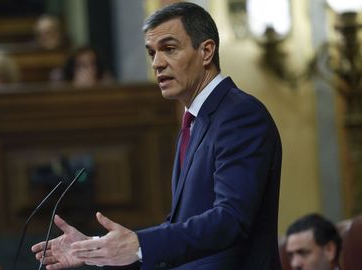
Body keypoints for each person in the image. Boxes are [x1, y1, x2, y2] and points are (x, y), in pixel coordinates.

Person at [32, 2, 282, 269]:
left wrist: (140, 244)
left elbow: (231, 219)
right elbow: (181, 230)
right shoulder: (195, 122)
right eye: (152, 53)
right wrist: (97, 250)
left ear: (206, 51)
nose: (157, 63)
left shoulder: (239, 115)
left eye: (169, 49)